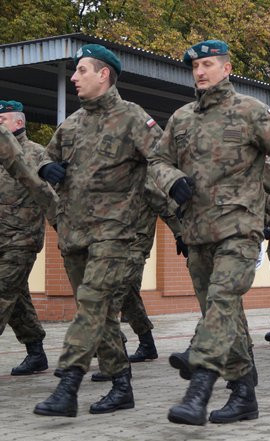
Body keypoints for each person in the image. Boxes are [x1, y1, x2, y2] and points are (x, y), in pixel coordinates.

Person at [149, 40, 270, 426]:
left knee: (222, 302)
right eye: (195, 66)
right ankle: (243, 394)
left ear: (226, 68)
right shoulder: (183, 118)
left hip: (239, 230)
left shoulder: (251, 112)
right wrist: (171, 179)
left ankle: (198, 391)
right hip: (197, 231)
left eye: (208, 64)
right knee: (223, 315)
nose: (200, 71)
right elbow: (157, 159)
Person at [34, 44, 161, 417]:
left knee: (90, 304)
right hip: (74, 235)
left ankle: (68, 385)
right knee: (101, 314)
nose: (74, 78)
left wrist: (181, 219)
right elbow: (45, 154)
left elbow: (163, 162)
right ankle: (121, 386)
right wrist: (45, 168)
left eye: (81, 71)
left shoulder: (133, 118)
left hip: (116, 234)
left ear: (103, 74)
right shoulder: (71, 123)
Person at [0, 101, 55, 376]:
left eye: (2, 120)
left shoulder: (36, 154)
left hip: (21, 240)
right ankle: (37, 354)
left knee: (1, 293)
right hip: (1, 239)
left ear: (18, 123)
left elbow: (51, 196)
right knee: (17, 300)